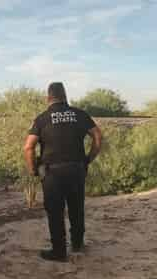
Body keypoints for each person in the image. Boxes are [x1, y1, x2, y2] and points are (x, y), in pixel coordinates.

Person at [23, 82, 102, 262]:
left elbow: (28, 147)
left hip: (52, 173)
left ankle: (59, 251)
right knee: (76, 208)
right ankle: (77, 244)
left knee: (55, 212)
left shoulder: (42, 118)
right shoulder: (79, 114)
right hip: (76, 169)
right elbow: (97, 136)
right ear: (65, 96)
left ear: (48, 98)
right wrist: (88, 158)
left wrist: (33, 169)